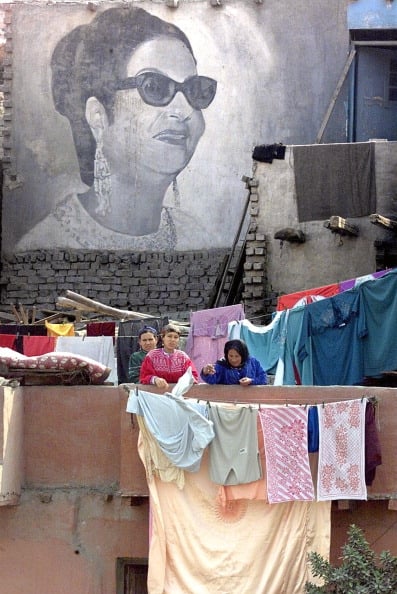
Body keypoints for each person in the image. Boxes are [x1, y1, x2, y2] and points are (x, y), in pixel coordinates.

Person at [15, 6, 217, 252]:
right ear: (98, 117)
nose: (184, 111)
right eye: (153, 86)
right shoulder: (42, 248)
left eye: (195, 90)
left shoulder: (197, 239)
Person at [139, 323, 199, 391]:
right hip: (157, 394)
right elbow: (144, 376)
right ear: (163, 338)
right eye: (169, 336)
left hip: (179, 395)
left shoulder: (183, 357)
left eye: (176, 337)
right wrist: (155, 379)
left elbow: (193, 375)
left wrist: (188, 380)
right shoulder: (152, 355)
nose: (172, 340)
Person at [200, 339, 267, 386]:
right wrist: (205, 372)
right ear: (226, 354)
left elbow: (263, 378)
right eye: (231, 356)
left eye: (237, 356)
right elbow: (212, 380)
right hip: (227, 402)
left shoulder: (252, 362)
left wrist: (251, 381)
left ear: (243, 355)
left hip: (250, 401)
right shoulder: (222, 365)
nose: (233, 359)